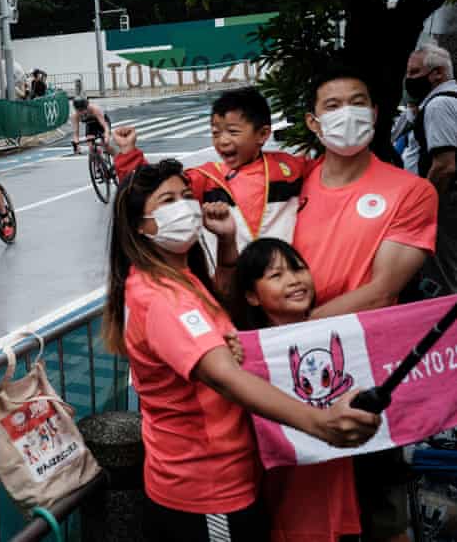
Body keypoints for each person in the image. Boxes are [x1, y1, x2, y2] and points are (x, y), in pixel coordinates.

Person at [103, 160, 380, 541]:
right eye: (167, 201)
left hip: (220, 475)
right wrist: (320, 423)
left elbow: (217, 323)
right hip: (206, 488)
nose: (185, 207)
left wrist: (227, 242)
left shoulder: (177, 276)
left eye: (187, 196)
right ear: (138, 225)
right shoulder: (162, 297)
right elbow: (225, 377)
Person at [294, 63, 438, 542]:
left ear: (376, 113)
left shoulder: (410, 191)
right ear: (313, 123)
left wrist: (293, 331)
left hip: (371, 371)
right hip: (296, 375)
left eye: (357, 102)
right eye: (332, 106)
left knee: (379, 504)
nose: (347, 114)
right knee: (309, 506)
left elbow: (382, 289)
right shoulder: (296, 184)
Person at [231, 238, 361, 542]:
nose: (294, 280)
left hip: (337, 478)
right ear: (252, 296)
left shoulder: (341, 334)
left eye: (298, 269)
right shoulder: (242, 350)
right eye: (276, 275)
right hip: (288, 487)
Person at [186, 87, 310, 252]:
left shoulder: (290, 168)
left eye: (232, 132)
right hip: (229, 274)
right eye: (216, 133)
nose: (222, 141)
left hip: (283, 272)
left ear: (263, 134)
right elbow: (160, 185)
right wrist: (137, 156)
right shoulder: (206, 178)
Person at [404, 42, 457, 294]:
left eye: (414, 73)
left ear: (437, 73)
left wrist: (426, 204)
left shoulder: (438, 105)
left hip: (447, 202)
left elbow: (445, 165)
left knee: (447, 274)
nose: (408, 79)